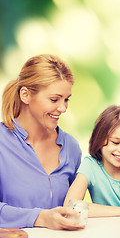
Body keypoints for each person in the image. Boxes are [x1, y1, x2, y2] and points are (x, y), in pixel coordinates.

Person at [0, 54, 83, 230]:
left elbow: (75, 206)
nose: (63, 108)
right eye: (54, 99)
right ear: (26, 95)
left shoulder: (71, 148)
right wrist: (40, 217)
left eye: (66, 99)